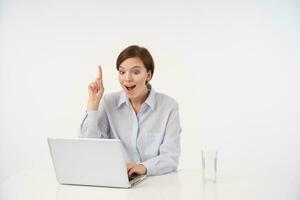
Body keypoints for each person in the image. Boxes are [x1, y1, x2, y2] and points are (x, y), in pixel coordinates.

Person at [79, 45, 181, 177]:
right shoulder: (109, 102)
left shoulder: (168, 107)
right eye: (122, 72)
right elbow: (89, 147)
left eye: (135, 72)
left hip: (155, 185)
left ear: (148, 75)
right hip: (116, 183)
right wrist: (93, 104)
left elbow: (170, 158)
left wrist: (143, 167)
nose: (127, 78)